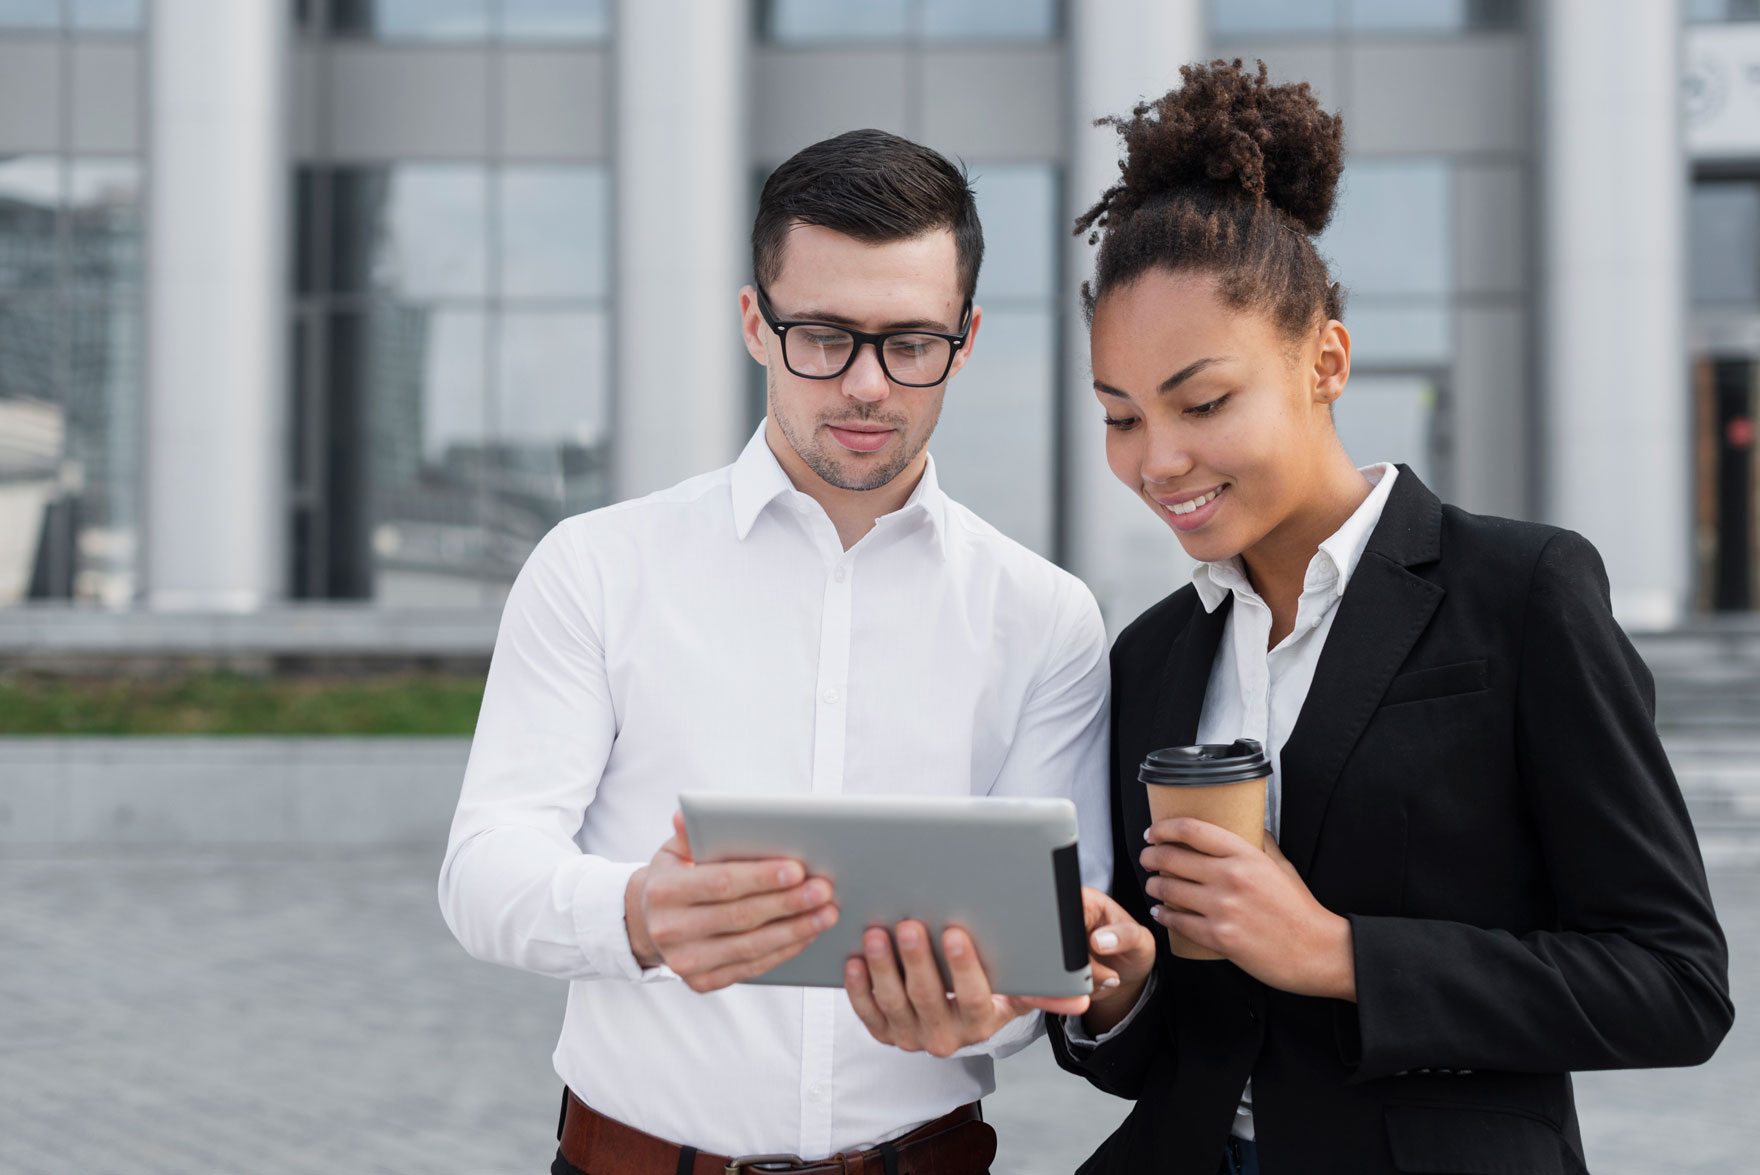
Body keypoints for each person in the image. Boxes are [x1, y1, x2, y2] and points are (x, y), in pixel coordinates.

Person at [1045, 60, 1734, 1175]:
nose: (1155, 460)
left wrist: (1338, 952)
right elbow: (1145, 1048)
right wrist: (1117, 991)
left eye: (1203, 401)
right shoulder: (1152, 653)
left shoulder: (1521, 592)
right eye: (1120, 415)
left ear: (1324, 360)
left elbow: (1671, 984)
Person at [439, 128, 1133, 1175]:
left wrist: (989, 1010)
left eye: (909, 342)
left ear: (967, 335)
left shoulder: (1044, 618)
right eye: (821, 334)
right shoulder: (594, 566)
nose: (864, 385)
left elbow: (1048, 946)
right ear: (754, 325)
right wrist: (635, 912)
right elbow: (484, 870)